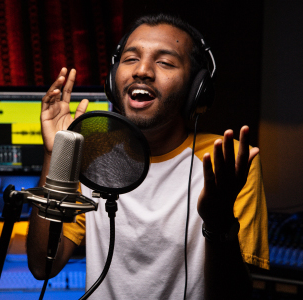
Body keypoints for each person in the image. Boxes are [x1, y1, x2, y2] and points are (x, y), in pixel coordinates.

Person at [26, 14, 269, 300]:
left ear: (196, 89)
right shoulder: (92, 151)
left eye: (165, 62)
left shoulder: (226, 161)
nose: (142, 70)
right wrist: (58, 156)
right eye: (130, 59)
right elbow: (43, 266)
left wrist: (218, 224)